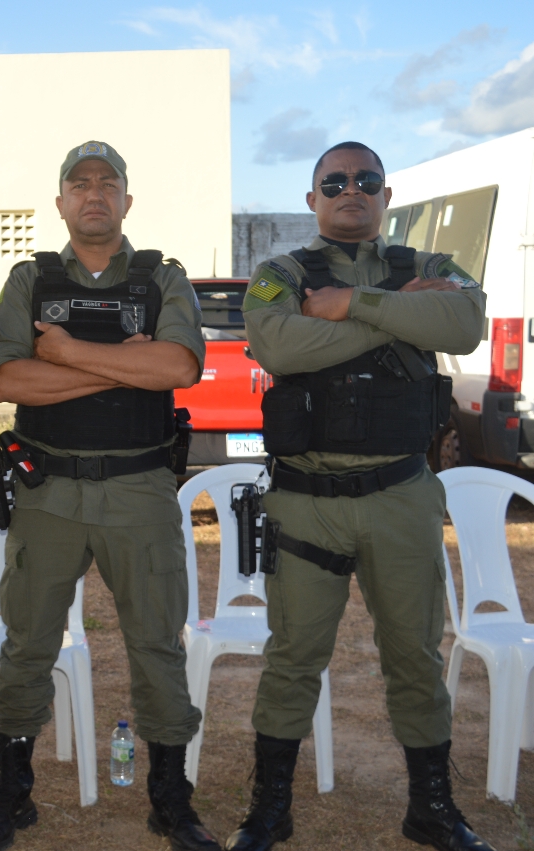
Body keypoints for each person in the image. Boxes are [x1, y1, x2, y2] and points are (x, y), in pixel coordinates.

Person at [227, 141, 492, 851]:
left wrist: (351, 306)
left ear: (386, 195)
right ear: (312, 198)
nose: (352, 189)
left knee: (415, 657)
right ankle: (270, 810)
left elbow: (466, 323)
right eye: (335, 181)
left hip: (400, 495)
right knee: (292, 657)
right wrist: (397, 314)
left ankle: (432, 808)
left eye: (367, 179)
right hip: (305, 501)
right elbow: (280, 346)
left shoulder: (430, 266)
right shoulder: (281, 274)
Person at [0, 141, 217, 851]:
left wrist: (66, 353)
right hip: (48, 491)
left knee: (156, 644)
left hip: (138, 490)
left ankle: (170, 801)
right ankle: (12, 793)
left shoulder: (162, 279)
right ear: (61, 202)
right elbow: (8, 380)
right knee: (27, 643)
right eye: (79, 184)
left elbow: (179, 366)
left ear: (126, 201)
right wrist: (123, 366)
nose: (93, 194)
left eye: (107, 183)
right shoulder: (29, 280)